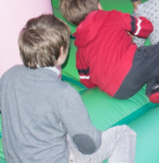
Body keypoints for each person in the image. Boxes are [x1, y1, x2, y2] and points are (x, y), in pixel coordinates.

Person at [0, 14, 136, 162]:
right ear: (60, 52)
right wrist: (94, 135)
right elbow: (89, 145)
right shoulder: (63, 93)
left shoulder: (9, 75)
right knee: (123, 133)